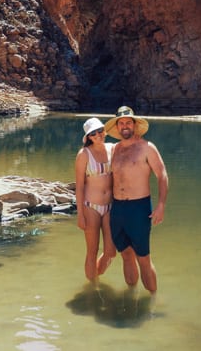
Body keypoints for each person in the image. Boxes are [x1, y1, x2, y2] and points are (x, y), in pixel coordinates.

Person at [103, 105, 168, 293]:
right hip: (118, 209)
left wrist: (161, 205)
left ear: (134, 125)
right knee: (125, 255)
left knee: (143, 258)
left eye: (128, 123)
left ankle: (152, 300)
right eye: (121, 123)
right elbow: (92, 147)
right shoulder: (114, 149)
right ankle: (131, 297)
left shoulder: (147, 147)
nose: (124, 126)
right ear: (117, 127)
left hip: (139, 208)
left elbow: (162, 175)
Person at [74, 117, 117, 281]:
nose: (98, 135)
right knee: (92, 251)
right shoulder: (83, 155)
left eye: (100, 131)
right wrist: (80, 215)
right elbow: (79, 186)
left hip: (110, 207)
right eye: (93, 133)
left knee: (111, 251)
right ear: (88, 137)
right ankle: (93, 288)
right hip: (90, 206)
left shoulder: (112, 148)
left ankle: (95, 276)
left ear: (105, 131)